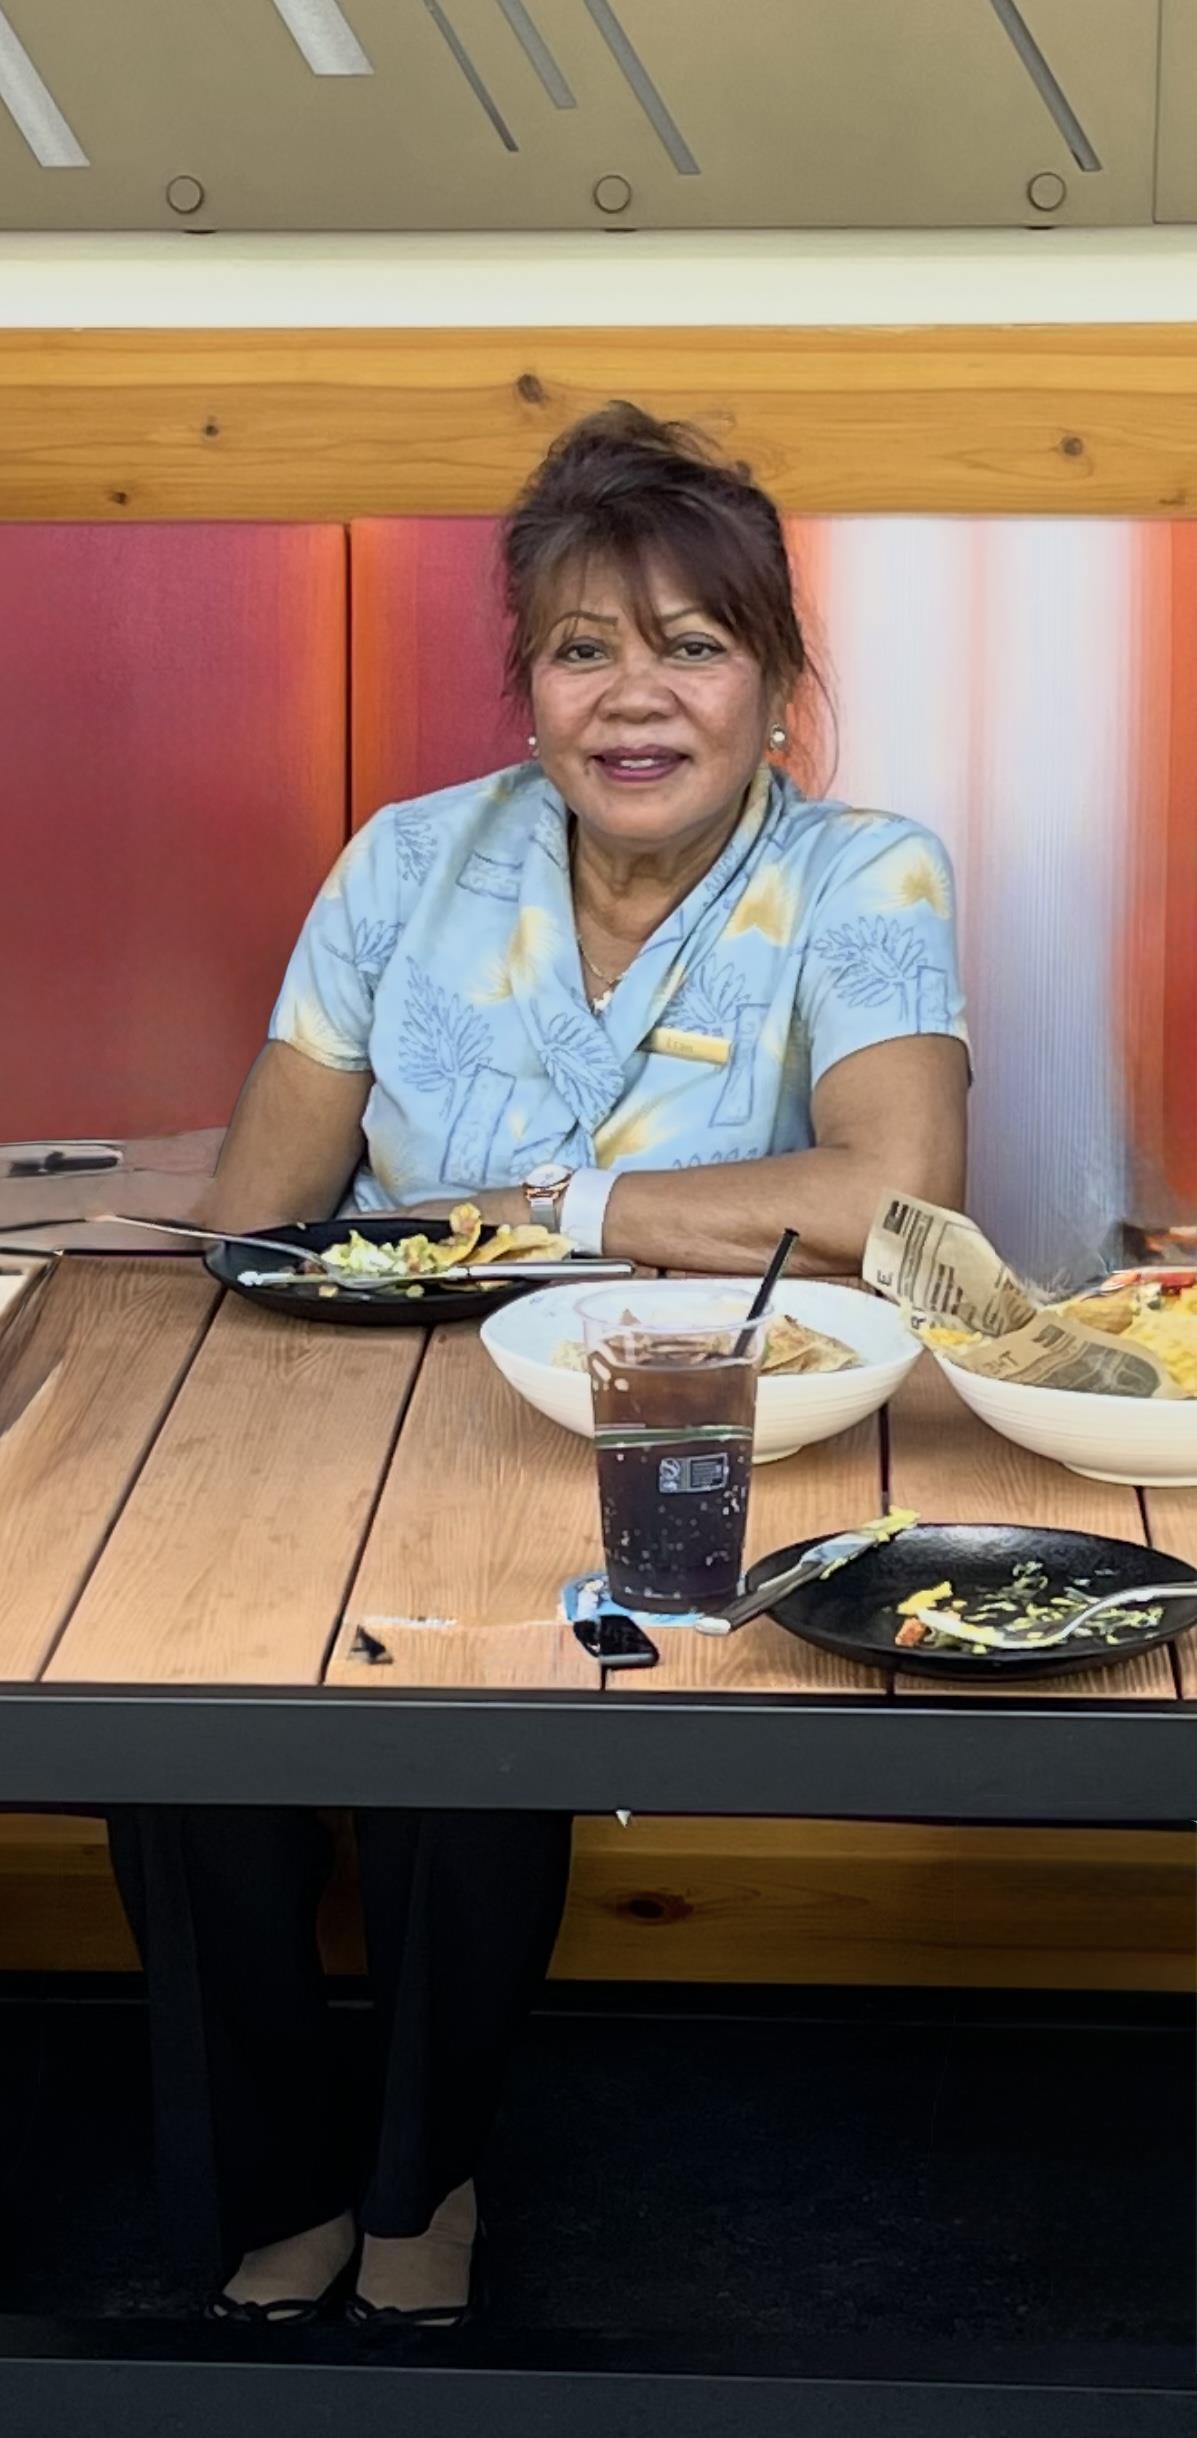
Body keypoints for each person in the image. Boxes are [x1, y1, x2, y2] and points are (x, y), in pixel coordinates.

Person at [109, 403, 969, 2329]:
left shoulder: (861, 875)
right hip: (350, 1399)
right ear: (527, 684)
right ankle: (272, 2172)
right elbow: (264, 1214)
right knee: (174, 1718)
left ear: (775, 683)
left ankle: (421, 2170)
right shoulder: (409, 863)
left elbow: (894, 1197)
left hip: (662, 1435)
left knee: (472, 1700)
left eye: (692, 645)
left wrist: (556, 1199)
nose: (632, 695)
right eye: (583, 647)